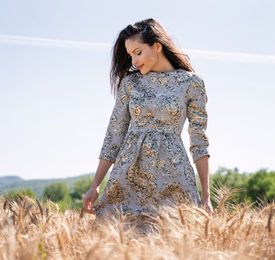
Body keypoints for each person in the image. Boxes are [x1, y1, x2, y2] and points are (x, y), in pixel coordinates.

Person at [83, 18, 213, 230]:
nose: (134, 61)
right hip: (127, 176)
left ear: (157, 46)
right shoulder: (130, 83)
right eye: (130, 55)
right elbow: (114, 134)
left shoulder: (192, 83)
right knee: (116, 242)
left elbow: (199, 140)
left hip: (174, 178)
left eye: (138, 52)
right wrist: (95, 185)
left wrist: (206, 194)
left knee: (175, 243)